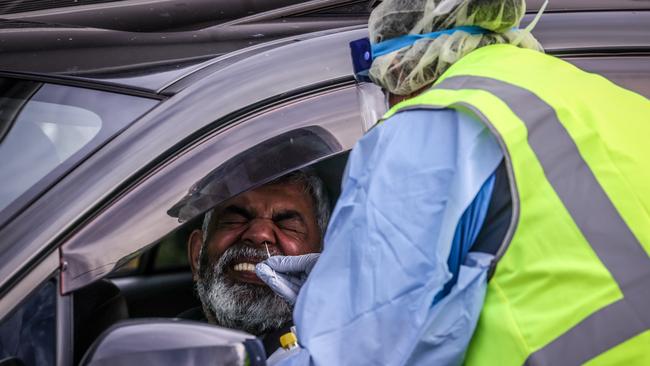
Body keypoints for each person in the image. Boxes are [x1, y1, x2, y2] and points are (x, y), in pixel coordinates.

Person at [262, 0, 650, 365]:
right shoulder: (610, 101)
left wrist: (330, 309)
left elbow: (354, 353)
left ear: (396, 66)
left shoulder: (430, 126)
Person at [182, 170, 328, 355]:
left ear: (322, 259)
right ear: (197, 255)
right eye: (235, 220)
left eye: (288, 225)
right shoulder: (164, 347)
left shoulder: (348, 350)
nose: (259, 234)